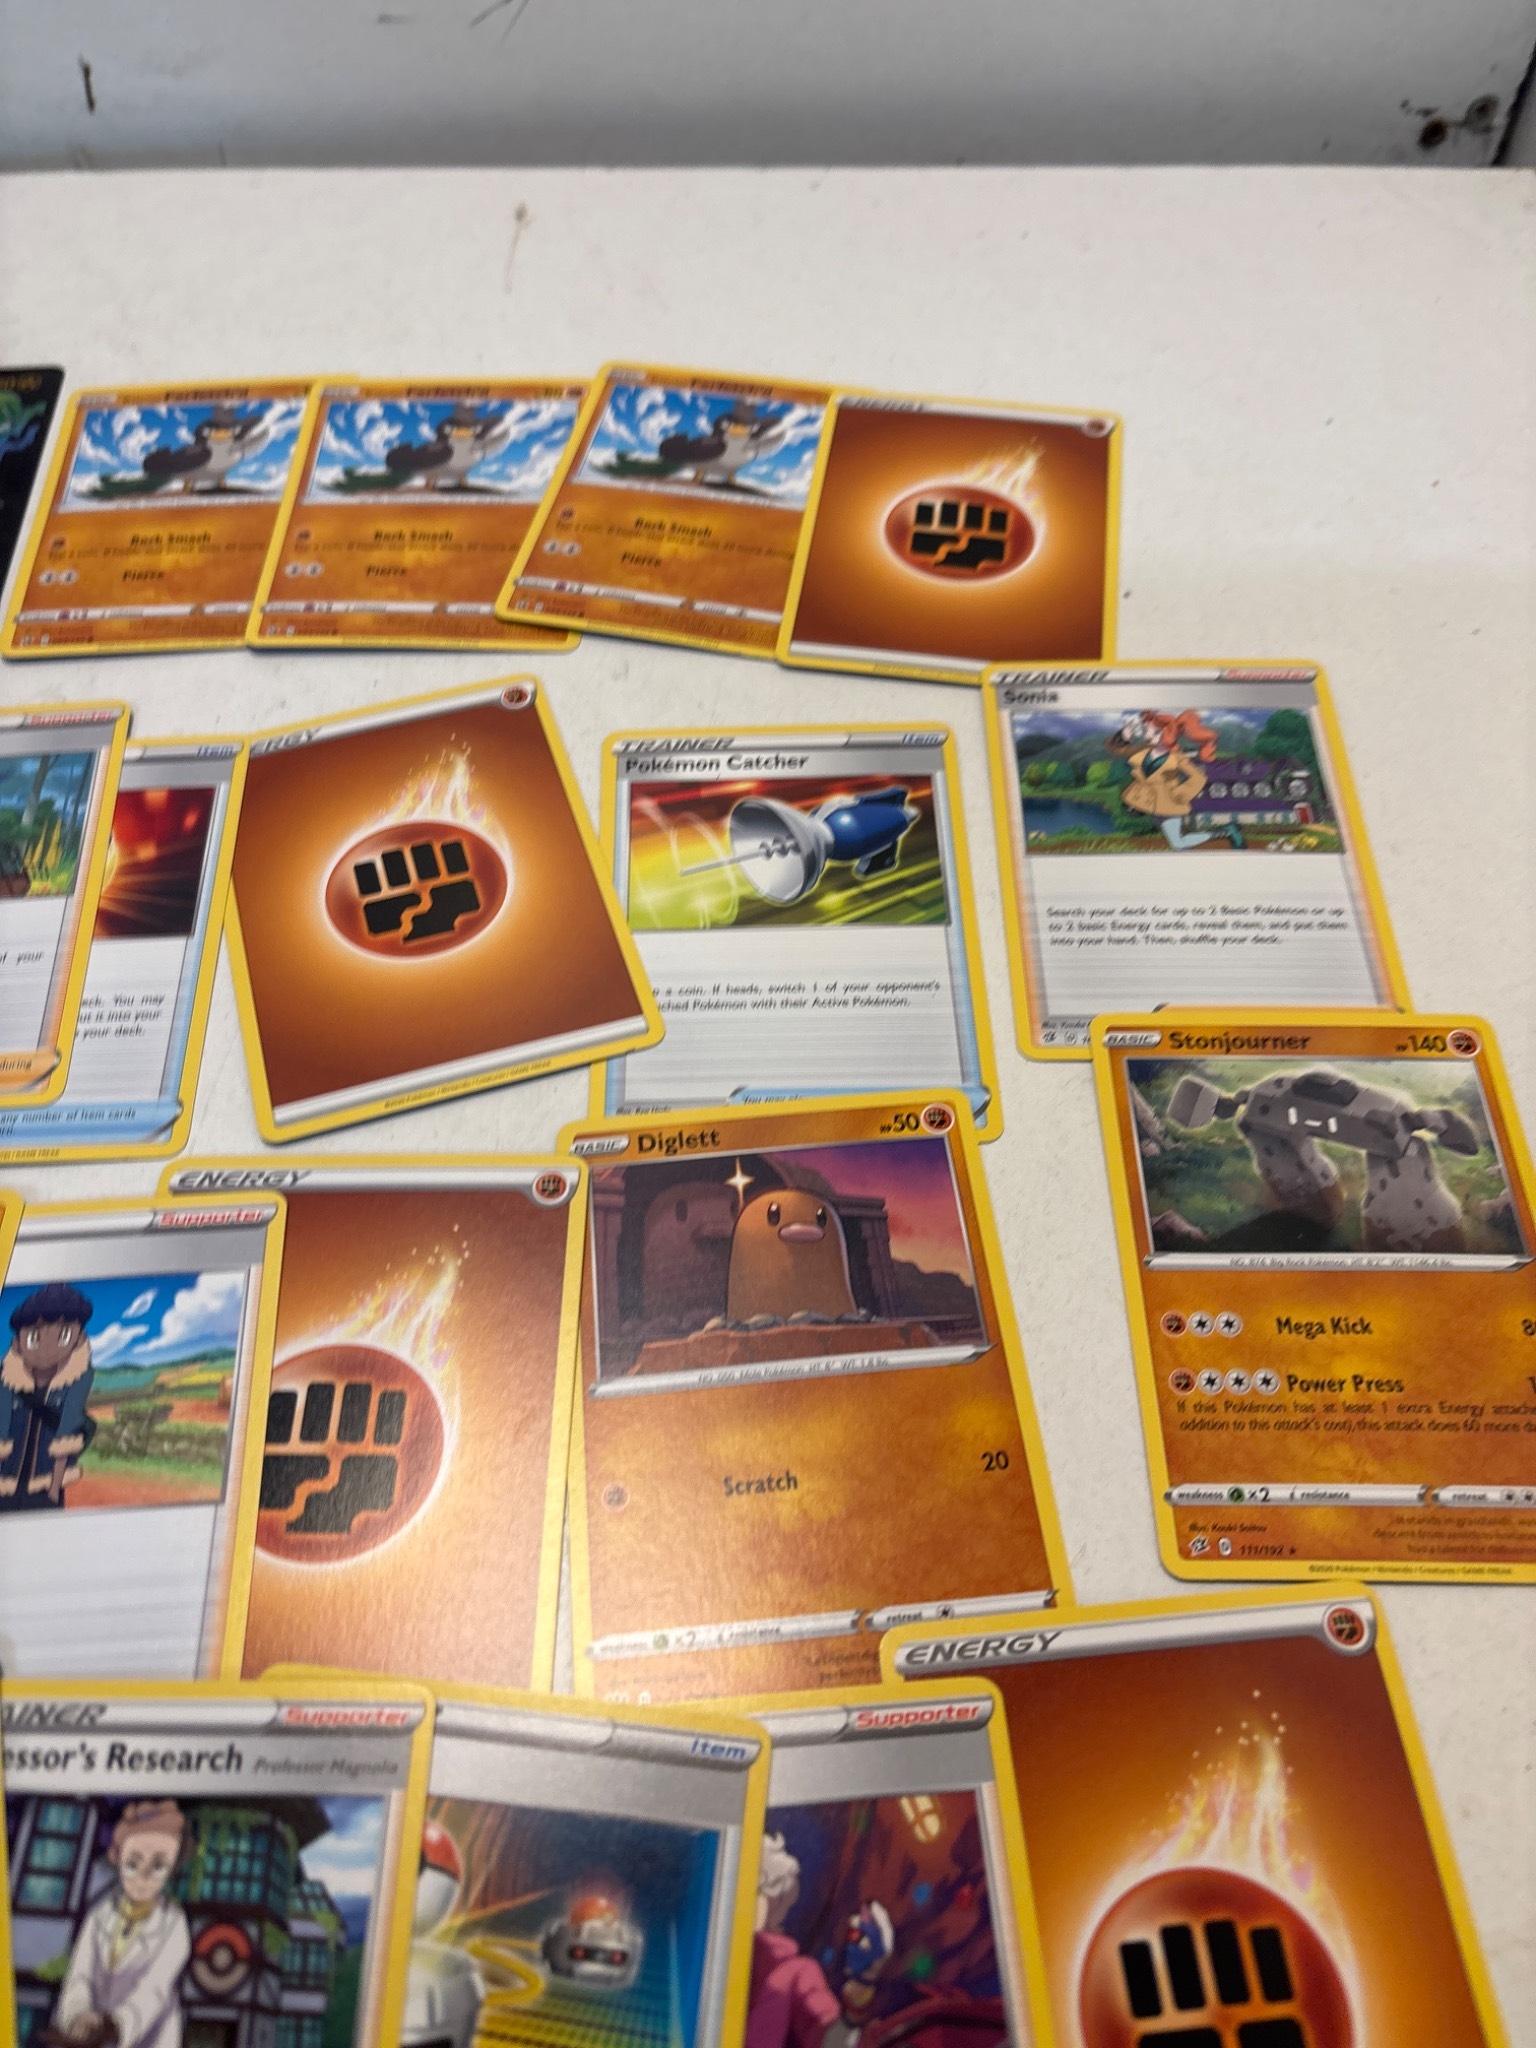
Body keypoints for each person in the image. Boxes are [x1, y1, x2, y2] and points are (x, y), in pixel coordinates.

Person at [49, 1801, 192, 2048]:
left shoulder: (174, 1925)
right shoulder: (98, 1917)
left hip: (150, 2039)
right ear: (118, 1858)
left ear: (172, 1869)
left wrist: (116, 2024)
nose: (143, 1877)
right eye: (133, 1864)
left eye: (158, 1866)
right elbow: (79, 1976)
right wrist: (78, 2014)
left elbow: (155, 1989)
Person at [748, 1832, 894, 2048]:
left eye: (754, 1892)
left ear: (773, 1900)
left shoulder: (794, 1972)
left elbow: (829, 2038)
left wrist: (862, 1984)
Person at [0, 1282, 95, 1509]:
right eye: (33, 1337)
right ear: (18, 1342)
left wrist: (53, 1489)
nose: (46, 1350)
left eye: (64, 1335)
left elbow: (66, 1437)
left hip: (45, 1488)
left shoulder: (73, 1387)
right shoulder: (6, 1383)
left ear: (78, 1339)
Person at [1106, 709, 1244, 850]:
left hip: (1167, 804)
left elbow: (1198, 778)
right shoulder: (1144, 751)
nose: (1145, 734)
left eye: (1149, 730)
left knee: (1178, 843)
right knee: (1178, 843)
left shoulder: (1177, 758)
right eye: (1145, 730)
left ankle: (1226, 832)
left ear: (1164, 733)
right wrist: (1123, 736)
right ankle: (1226, 832)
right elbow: (1117, 749)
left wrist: (1179, 794)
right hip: (1145, 804)